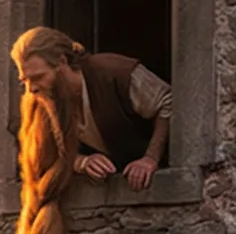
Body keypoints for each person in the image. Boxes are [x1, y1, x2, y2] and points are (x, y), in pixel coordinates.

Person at [12, 26, 169, 189]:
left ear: (62, 62)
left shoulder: (113, 73)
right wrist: (82, 162)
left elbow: (167, 102)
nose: (31, 89)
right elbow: (42, 152)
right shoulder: (43, 97)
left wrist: (150, 158)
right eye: (25, 80)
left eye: (38, 77)